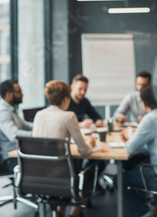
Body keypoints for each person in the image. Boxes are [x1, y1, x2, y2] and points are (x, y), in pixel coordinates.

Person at [33, 80, 96, 217]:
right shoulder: (69, 116)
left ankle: (60, 213)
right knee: (90, 174)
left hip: (38, 174)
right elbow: (84, 151)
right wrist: (90, 142)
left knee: (67, 167)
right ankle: (72, 215)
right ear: (66, 98)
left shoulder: (39, 115)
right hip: (62, 176)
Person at [119, 84, 157, 217]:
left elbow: (130, 148)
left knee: (119, 179)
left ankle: (145, 213)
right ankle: (156, 206)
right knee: (135, 167)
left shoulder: (150, 119)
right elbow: (156, 144)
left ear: (144, 104)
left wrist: (127, 139)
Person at [0, 80, 33, 173]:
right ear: (8, 94)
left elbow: (26, 126)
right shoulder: (2, 112)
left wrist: (42, 127)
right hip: (11, 159)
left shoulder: (11, 109)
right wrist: (37, 134)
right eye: (18, 92)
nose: (22, 94)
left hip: (19, 153)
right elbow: (14, 135)